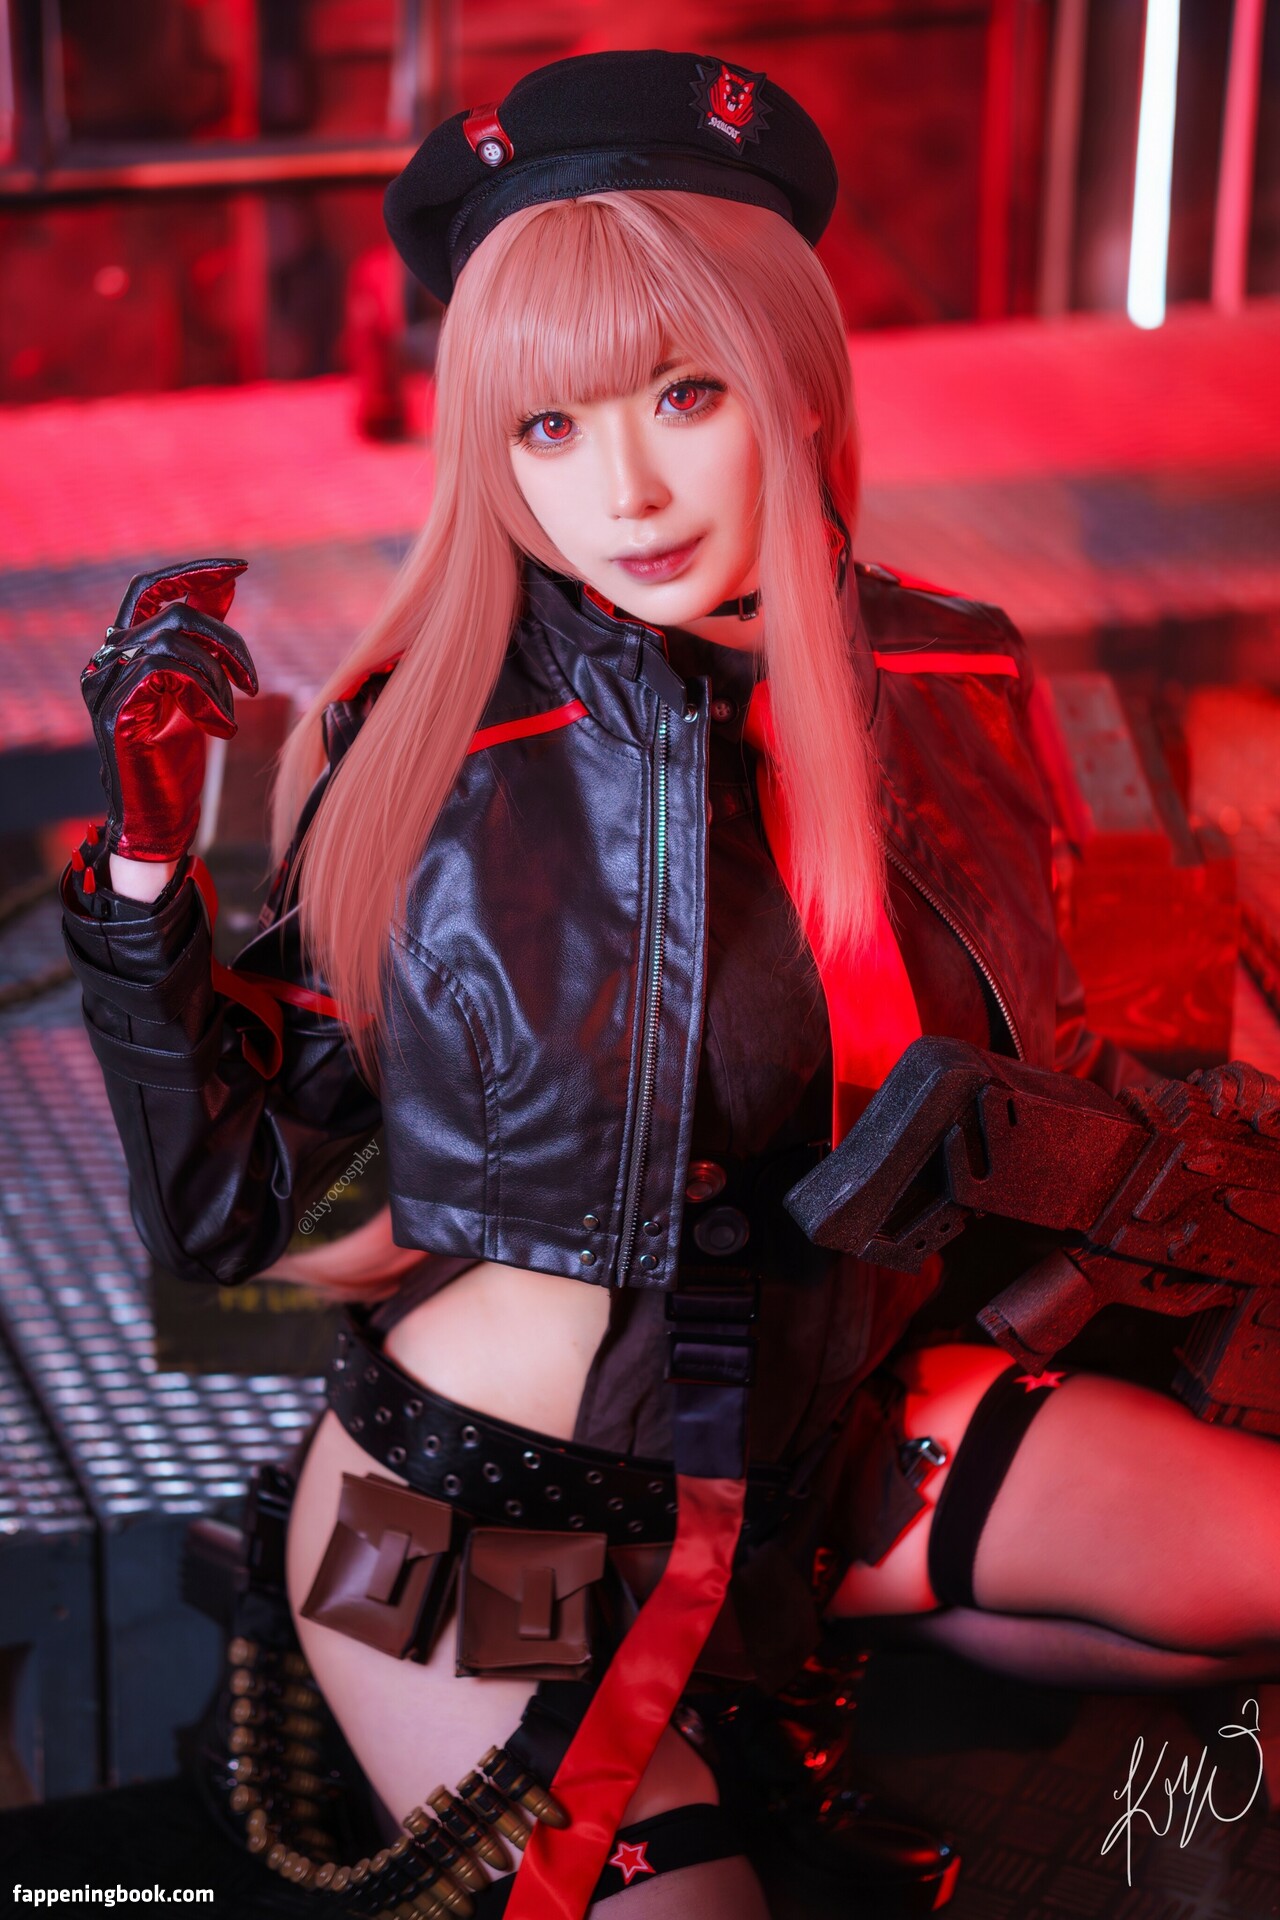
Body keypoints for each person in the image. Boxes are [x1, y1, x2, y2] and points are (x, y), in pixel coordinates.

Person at [59, 49, 1280, 1920]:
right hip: (471, 1513)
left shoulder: (956, 679)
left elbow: (1037, 1080)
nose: (622, 488)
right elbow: (234, 1215)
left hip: (831, 1463)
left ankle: (798, 1674)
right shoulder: (429, 744)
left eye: (684, 393)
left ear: (797, 376)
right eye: (546, 427)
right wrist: (144, 892)